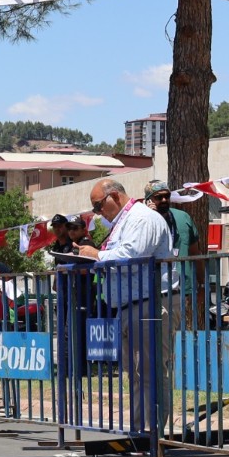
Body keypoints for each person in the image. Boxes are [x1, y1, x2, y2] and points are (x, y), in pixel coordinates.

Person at [78, 178, 175, 440]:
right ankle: (141, 431)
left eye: (99, 205)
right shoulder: (126, 220)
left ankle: (148, 433)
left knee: (148, 369)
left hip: (149, 302)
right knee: (136, 371)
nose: (98, 212)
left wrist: (96, 255)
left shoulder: (141, 218)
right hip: (133, 303)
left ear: (115, 197)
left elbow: (133, 257)